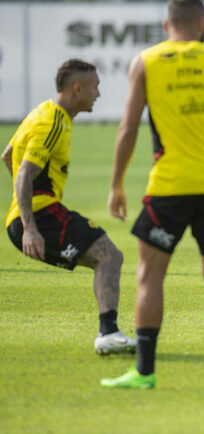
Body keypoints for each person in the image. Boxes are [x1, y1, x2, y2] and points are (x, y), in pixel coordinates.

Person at [101, 0, 204, 390]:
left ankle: (144, 372)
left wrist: (116, 184)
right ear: (201, 24)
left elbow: (128, 128)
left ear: (166, 25)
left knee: (150, 277)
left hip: (168, 187)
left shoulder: (146, 62)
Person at [2, 59, 136, 355]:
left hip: (35, 213)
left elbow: (7, 155)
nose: (98, 94)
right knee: (109, 255)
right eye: (95, 87)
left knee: (107, 255)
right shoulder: (52, 120)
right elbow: (23, 172)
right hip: (38, 216)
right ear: (77, 89)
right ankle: (109, 334)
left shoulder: (44, 111)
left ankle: (109, 332)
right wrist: (30, 227)